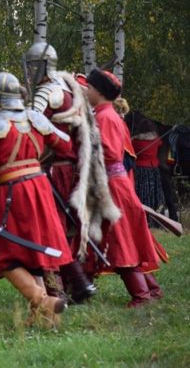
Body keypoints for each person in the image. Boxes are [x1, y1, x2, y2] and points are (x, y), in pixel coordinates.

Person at [0, 71, 74, 327]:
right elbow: (66, 144)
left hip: (13, 194)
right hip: (40, 189)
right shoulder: (35, 118)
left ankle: (43, 301)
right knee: (34, 252)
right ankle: (47, 317)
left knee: (9, 257)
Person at [23, 42, 102, 304]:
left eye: (33, 65)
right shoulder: (67, 89)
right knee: (65, 228)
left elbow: (33, 135)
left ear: (43, 66)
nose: (30, 70)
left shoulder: (46, 93)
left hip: (53, 171)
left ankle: (59, 286)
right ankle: (74, 283)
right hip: (72, 170)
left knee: (48, 229)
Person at [85, 68, 162, 307]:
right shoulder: (107, 114)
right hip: (115, 185)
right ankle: (152, 289)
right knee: (124, 238)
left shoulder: (105, 117)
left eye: (88, 87)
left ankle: (141, 295)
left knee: (121, 241)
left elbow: (107, 152)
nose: (86, 91)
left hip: (111, 187)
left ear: (98, 91)